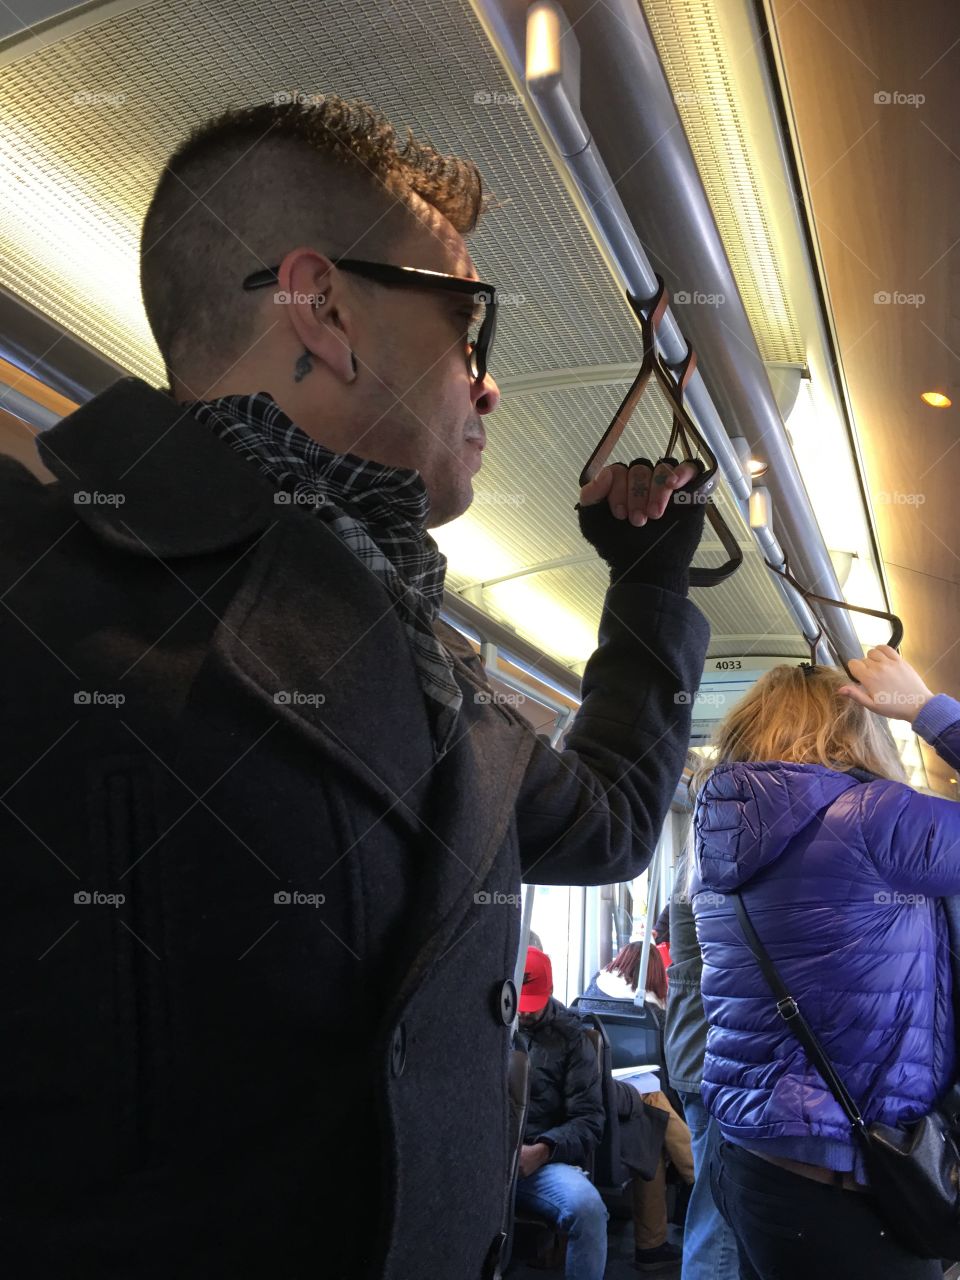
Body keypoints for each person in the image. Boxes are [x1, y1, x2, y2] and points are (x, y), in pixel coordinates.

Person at [0, 94, 712, 1279]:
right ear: (324, 309)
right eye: (468, 325)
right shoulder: (39, 575)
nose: (487, 386)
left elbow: (611, 821)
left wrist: (646, 579)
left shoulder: (432, 661)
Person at [692, 648, 960, 1280]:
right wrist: (927, 710)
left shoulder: (714, 837)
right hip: (844, 1181)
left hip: (746, 1157)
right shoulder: (875, 818)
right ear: (859, 730)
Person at [580, 941, 694, 1271]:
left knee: (650, 1136)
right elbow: (671, 1072)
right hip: (632, 1096)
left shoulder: (589, 997)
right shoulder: (653, 1014)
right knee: (656, 1109)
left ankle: (652, 1245)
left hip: (595, 1091)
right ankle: (704, 1180)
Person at [664, 849, 740, 1280]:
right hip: (716, 1055)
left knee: (719, 1209)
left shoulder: (697, 856)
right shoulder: (715, 857)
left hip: (702, 1052)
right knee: (720, 1218)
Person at [514, 948, 608, 1280]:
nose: (524, 1013)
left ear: (551, 991)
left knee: (587, 1208)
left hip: (540, 1159)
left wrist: (543, 1149)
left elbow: (589, 1120)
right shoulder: (489, 1023)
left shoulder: (573, 1039)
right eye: (519, 1003)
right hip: (485, 1155)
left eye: (533, 1004)